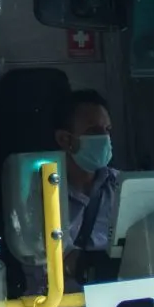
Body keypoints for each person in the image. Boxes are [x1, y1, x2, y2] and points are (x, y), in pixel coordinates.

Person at [53, 89, 120, 286]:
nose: (105, 139)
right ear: (65, 139)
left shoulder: (121, 185)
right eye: (94, 131)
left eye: (107, 130)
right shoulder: (43, 192)